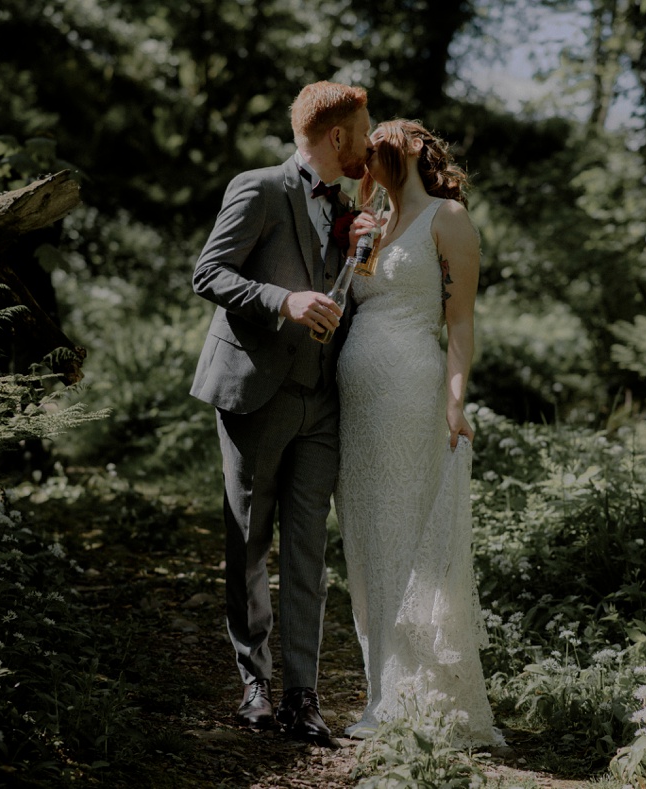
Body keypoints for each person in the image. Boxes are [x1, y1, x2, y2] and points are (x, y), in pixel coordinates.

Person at [190, 80, 373, 746]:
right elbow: (208, 272)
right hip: (255, 390)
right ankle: (255, 684)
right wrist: (283, 300)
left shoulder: (354, 206)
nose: (369, 138)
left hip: (321, 400)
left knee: (307, 550)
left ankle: (303, 696)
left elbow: (352, 293)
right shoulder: (260, 187)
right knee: (249, 539)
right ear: (336, 136)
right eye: (364, 127)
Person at [335, 119, 503, 747]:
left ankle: (415, 698)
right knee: (367, 537)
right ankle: (383, 692)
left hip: (411, 391)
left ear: (403, 152)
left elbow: (460, 326)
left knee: (405, 532)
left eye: (376, 152)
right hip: (357, 405)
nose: (367, 164)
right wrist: (354, 243)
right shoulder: (372, 222)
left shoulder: (448, 218)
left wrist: (456, 405)